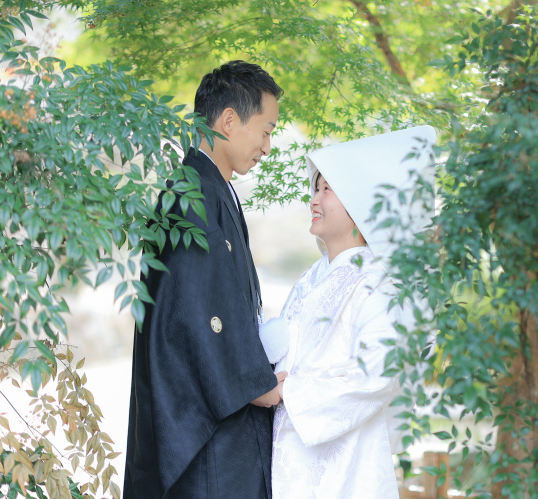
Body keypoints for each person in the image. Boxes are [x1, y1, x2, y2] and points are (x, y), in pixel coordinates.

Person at [125, 61, 286, 499]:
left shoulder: (208, 188)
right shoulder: (193, 194)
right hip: (207, 429)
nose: (268, 146)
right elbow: (197, 311)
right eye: (266, 130)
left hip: (216, 416)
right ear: (229, 121)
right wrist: (259, 386)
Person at [259, 126, 436, 499]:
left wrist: (288, 391)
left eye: (327, 189)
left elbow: (379, 370)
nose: (314, 199)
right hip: (289, 452)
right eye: (315, 189)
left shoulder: (380, 282)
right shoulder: (313, 276)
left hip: (346, 462)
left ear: (361, 206)